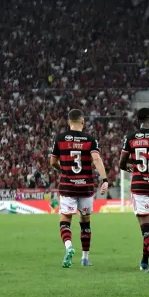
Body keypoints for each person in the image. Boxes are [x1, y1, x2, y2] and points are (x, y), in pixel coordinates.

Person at [49, 109, 109, 268]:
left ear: (69, 122)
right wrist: (104, 179)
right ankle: (85, 258)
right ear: (82, 121)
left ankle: (69, 247)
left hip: (68, 187)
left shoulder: (60, 139)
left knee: (65, 220)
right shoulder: (90, 139)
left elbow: (52, 162)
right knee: (85, 222)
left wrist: (61, 169)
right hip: (86, 188)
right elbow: (96, 159)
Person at [119, 107, 149, 273]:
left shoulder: (131, 137)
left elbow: (121, 163)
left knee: (146, 226)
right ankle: (145, 261)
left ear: (138, 120)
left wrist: (132, 166)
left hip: (139, 185)